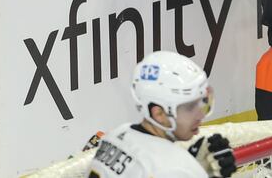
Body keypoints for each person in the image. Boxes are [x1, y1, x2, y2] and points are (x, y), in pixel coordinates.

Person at [86, 50, 236, 177]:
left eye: (202, 102)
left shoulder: (115, 136)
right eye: (190, 107)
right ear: (159, 114)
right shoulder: (177, 168)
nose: (200, 115)